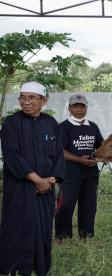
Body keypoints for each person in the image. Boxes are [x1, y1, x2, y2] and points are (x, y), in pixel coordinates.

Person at [0, 81, 65, 276]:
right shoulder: (11, 123)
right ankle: (12, 269)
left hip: (45, 188)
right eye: (22, 98)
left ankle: (40, 266)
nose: (25, 102)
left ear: (43, 100)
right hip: (20, 188)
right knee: (17, 227)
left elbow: (58, 155)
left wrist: (50, 180)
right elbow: (12, 155)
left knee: (43, 227)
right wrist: (37, 180)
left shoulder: (50, 123)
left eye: (31, 98)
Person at [54, 94, 104, 242]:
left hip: (90, 174)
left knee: (88, 207)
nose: (79, 109)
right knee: (65, 206)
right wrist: (80, 160)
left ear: (86, 108)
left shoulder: (93, 126)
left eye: (82, 106)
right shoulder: (63, 127)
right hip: (70, 174)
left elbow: (100, 146)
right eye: (75, 106)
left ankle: (86, 236)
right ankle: (62, 236)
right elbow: (60, 152)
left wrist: (99, 157)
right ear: (70, 109)